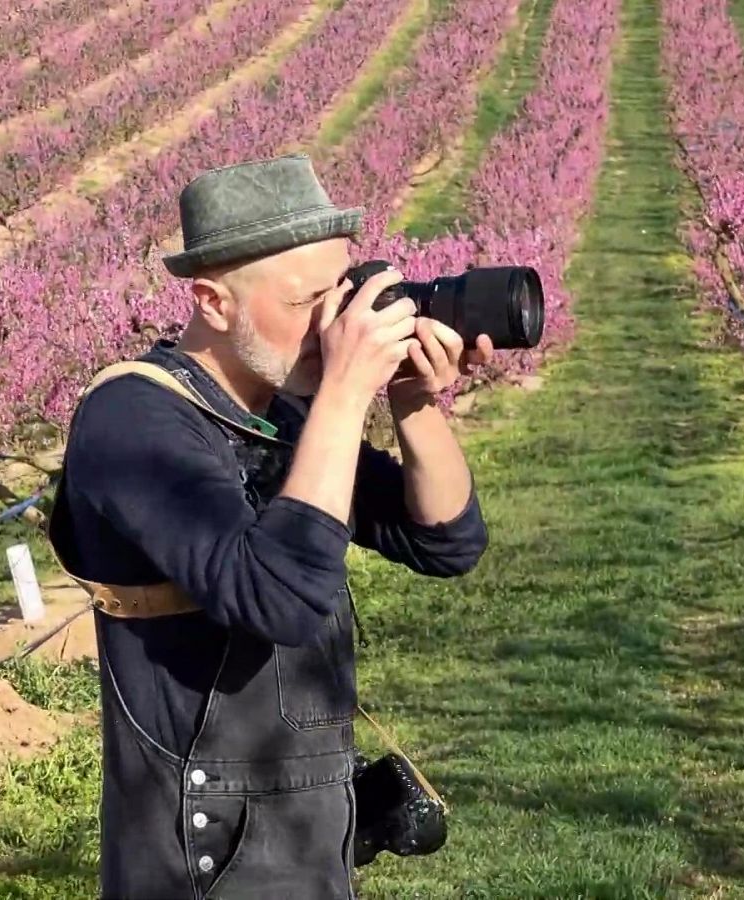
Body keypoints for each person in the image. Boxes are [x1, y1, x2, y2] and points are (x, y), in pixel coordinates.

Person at [46, 152, 492, 900]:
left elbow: (445, 540)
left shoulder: (280, 413)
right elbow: (277, 599)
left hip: (303, 835)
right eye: (304, 303)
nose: (332, 324)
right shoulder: (132, 418)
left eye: (339, 295)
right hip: (202, 856)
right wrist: (348, 392)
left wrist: (411, 400)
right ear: (212, 302)